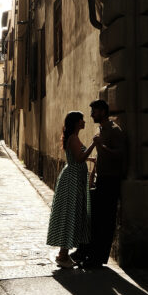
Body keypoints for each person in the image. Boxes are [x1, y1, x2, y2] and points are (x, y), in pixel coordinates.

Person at [72, 99, 126, 268]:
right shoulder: (100, 129)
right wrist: (93, 173)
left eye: (94, 111)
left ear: (102, 111)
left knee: (105, 222)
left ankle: (97, 259)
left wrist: (101, 146)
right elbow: (100, 155)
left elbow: (120, 154)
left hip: (111, 180)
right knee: (93, 219)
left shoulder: (115, 130)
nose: (91, 115)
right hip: (100, 179)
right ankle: (84, 253)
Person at [46, 111, 97, 268]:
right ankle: (63, 256)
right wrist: (94, 144)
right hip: (72, 181)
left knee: (71, 214)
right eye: (82, 120)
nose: (84, 122)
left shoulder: (73, 137)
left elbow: (77, 155)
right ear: (76, 122)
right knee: (70, 214)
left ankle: (63, 254)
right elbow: (79, 158)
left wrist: (90, 158)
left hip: (74, 179)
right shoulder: (73, 138)